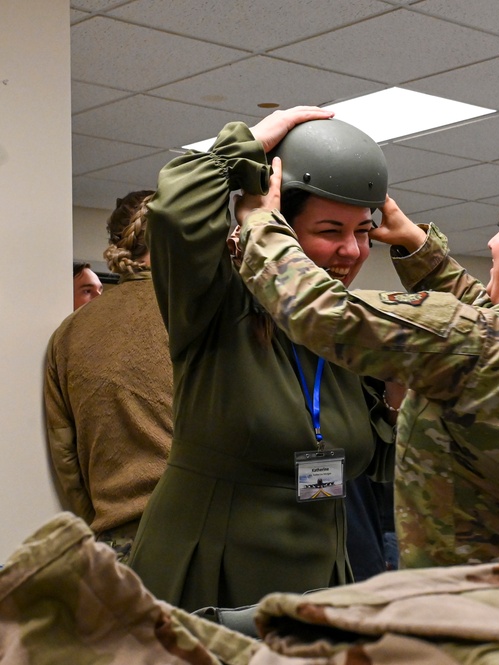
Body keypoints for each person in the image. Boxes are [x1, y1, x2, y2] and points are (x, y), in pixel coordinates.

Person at [235, 124, 499, 568]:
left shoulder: (474, 341)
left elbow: (319, 310)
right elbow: (493, 323)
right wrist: (418, 247)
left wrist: (260, 221)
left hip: (467, 603)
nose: (492, 242)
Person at [127, 108, 396, 611]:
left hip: (318, 581)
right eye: (331, 230)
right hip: (214, 581)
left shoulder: (340, 331)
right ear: (278, 227)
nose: (352, 250)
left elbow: (377, 459)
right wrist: (246, 146)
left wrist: (401, 402)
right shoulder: (217, 304)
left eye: (363, 231)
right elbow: (175, 214)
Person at [45, 190, 172, 562]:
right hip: (199, 541)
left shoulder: (69, 333)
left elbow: (65, 456)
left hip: (115, 549)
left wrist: (104, 527)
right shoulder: (198, 315)